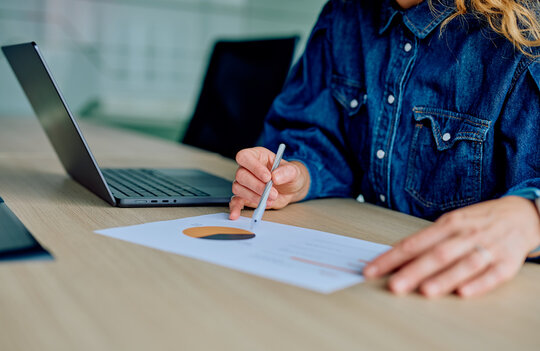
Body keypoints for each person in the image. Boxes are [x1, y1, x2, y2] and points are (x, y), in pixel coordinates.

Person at [229, 0, 540, 298]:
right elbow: (323, 136)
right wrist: (298, 175)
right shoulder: (344, 14)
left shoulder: (524, 30)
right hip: (368, 281)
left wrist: (530, 216)